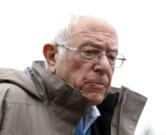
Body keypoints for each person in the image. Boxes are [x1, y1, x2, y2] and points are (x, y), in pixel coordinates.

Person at [0, 15, 147, 135]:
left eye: (111, 56)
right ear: (52, 56)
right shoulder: (7, 100)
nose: (104, 66)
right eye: (89, 52)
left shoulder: (110, 122)